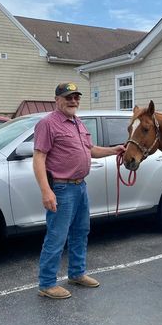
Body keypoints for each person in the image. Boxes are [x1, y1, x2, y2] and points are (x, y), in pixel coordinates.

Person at [33, 82, 125, 299]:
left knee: (80, 232)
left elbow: (90, 150)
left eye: (76, 97)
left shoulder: (78, 123)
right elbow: (39, 158)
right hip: (62, 188)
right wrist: (46, 191)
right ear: (57, 100)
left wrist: (114, 150)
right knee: (57, 236)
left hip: (80, 186)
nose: (73, 101)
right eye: (68, 97)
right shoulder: (47, 124)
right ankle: (46, 284)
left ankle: (76, 273)